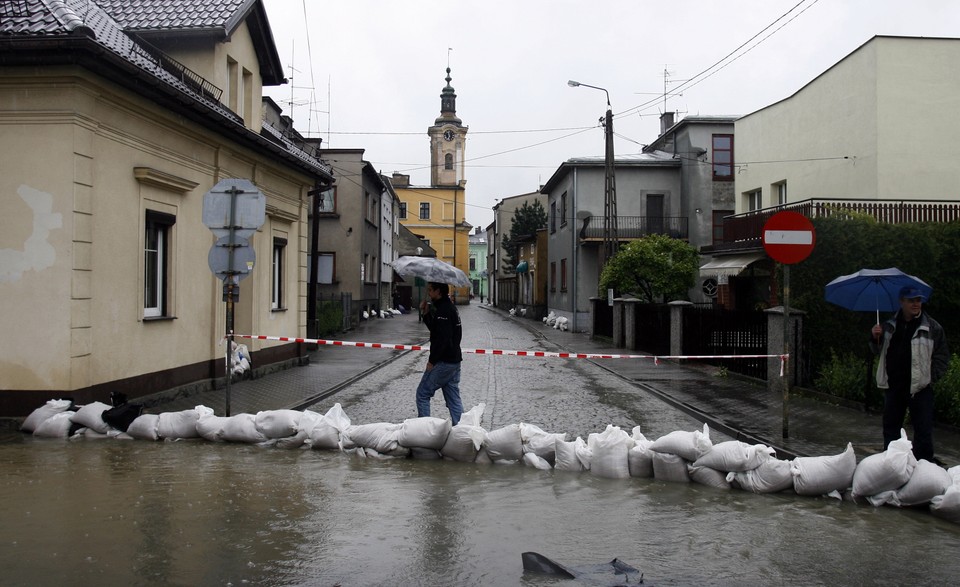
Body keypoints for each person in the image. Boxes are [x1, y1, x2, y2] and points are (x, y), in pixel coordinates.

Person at [870, 286, 949, 462]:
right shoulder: (888, 326)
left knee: (923, 431)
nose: (916, 304)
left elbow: (942, 356)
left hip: (920, 388)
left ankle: (924, 467)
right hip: (894, 386)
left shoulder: (932, 327)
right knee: (891, 429)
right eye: (911, 300)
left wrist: (930, 377)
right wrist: (874, 337)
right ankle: (891, 464)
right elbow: (877, 350)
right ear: (902, 302)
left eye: (918, 300)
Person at [416, 282, 463, 424]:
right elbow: (437, 330)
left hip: (444, 361)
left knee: (422, 394)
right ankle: (463, 430)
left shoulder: (444, 310)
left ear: (438, 291)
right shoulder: (449, 308)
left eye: (430, 290)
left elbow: (442, 339)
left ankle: (424, 431)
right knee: (453, 399)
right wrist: (426, 314)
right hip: (454, 361)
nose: (429, 293)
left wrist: (432, 361)